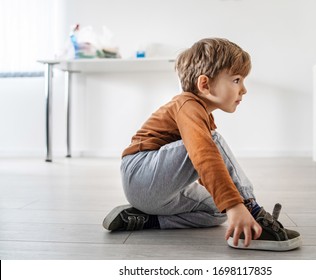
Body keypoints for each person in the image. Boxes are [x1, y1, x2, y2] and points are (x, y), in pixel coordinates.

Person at [102, 38, 302, 251]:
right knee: (212, 144)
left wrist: (227, 204)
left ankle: (145, 219)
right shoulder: (187, 105)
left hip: (153, 192)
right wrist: (236, 205)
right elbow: (203, 154)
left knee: (217, 212)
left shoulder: (201, 113)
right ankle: (251, 209)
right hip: (141, 173)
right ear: (204, 84)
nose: (244, 89)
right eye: (236, 80)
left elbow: (204, 166)